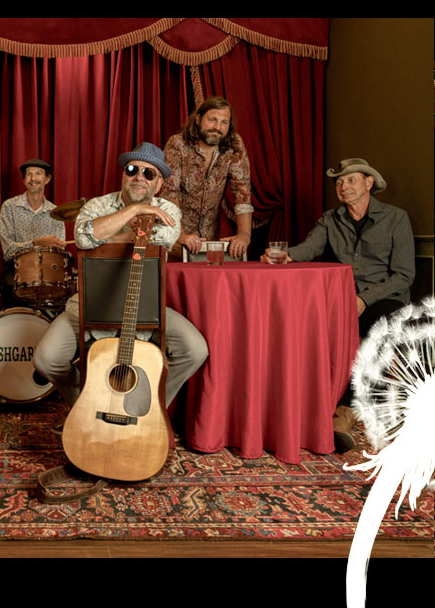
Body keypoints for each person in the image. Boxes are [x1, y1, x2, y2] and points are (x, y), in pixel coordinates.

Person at [33, 142, 208, 415]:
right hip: (91, 304)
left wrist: (104, 236)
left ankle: (150, 412)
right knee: (46, 358)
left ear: (159, 184)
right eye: (132, 170)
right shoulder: (97, 205)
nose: (139, 177)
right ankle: (87, 406)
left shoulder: (168, 210)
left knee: (194, 349)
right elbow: (83, 238)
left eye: (148, 173)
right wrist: (133, 212)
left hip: (143, 308)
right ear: (123, 175)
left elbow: (155, 240)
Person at [260, 158, 415, 451]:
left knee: (369, 333)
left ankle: (346, 411)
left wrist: (364, 299)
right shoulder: (330, 219)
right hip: (341, 298)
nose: (343, 186)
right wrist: (284, 256)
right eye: (339, 182)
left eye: (351, 180)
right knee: (303, 326)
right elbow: (309, 248)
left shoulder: (396, 218)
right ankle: (308, 404)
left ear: (368, 183)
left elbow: (404, 276)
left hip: (385, 299)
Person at [161, 96, 254, 261]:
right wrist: (180, 234)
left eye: (224, 122)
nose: (217, 127)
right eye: (212, 120)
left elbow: (242, 192)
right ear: (198, 119)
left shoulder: (234, 145)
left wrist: (244, 235)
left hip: (210, 240)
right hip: (175, 237)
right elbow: (170, 193)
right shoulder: (177, 144)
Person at [0, 158, 67, 305]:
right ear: (24, 180)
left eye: (38, 173)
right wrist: (36, 243)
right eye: (29, 174)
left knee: (64, 289)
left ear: (47, 179)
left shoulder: (55, 212)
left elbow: (60, 253)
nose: (33, 178)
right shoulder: (9, 207)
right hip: (16, 269)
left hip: (48, 271)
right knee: (9, 286)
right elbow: (8, 251)